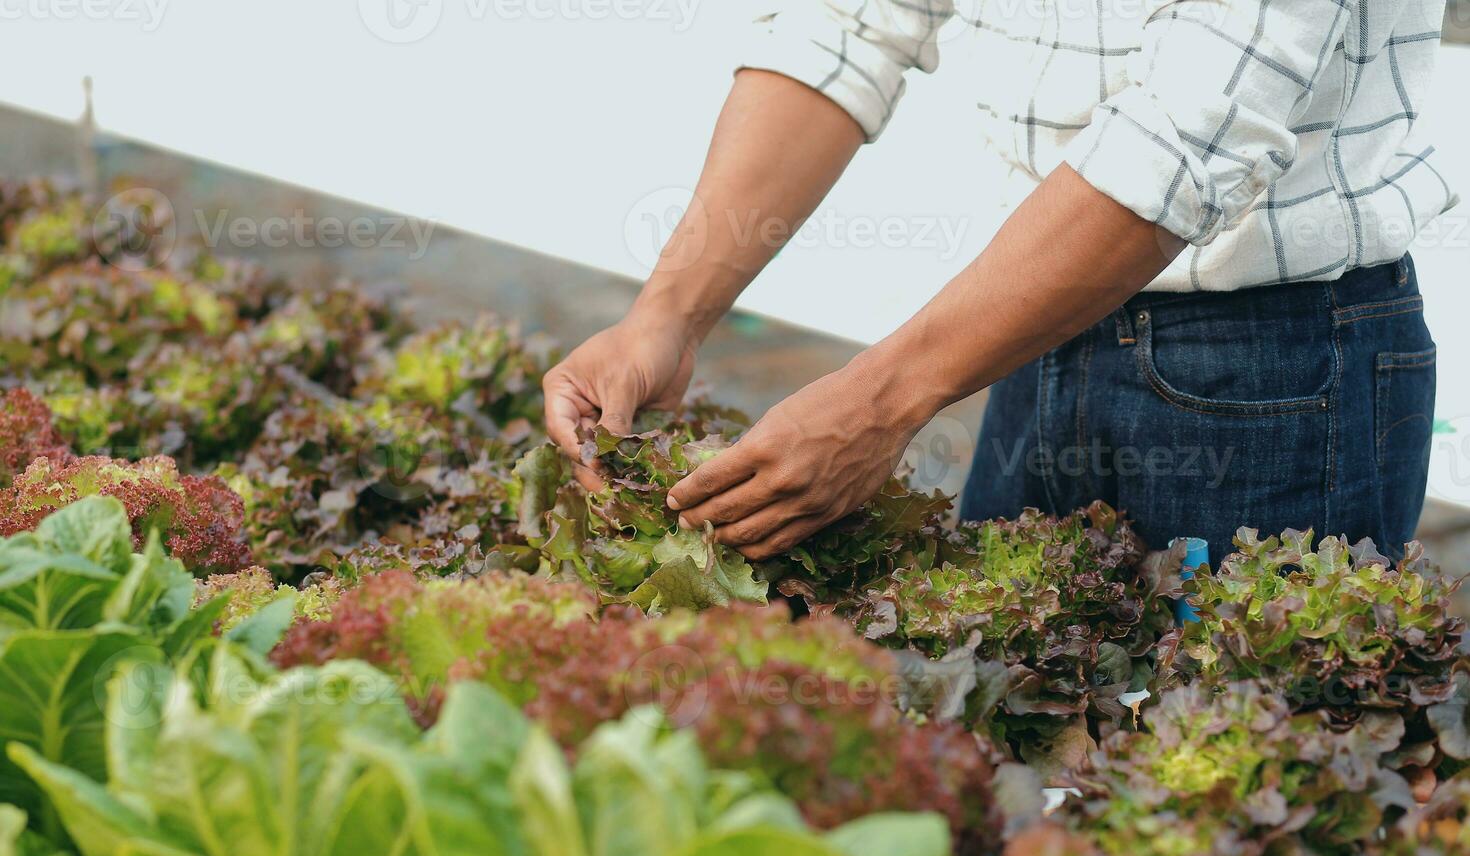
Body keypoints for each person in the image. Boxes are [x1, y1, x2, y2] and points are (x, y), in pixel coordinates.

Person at [542, 0, 1456, 565]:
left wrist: (878, 402)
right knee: (1005, 764)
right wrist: (665, 316)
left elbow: (1187, 138)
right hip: (1029, 325)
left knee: (1224, 824)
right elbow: (847, 25)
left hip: (1275, 379)